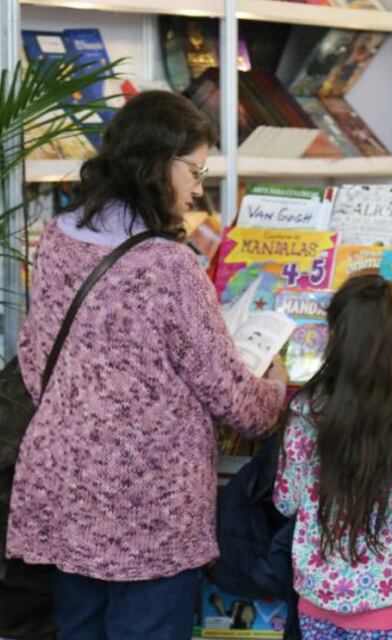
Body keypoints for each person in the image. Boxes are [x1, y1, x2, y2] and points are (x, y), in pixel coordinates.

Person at [6, 90, 287, 638]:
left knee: (79, 626)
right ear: (157, 161)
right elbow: (233, 398)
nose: (199, 187)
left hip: (67, 488)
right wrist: (279, 394)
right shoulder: (169, 266)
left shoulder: (58, 239)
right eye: (195, 169)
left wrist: (89, 416)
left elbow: (36, 356)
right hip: (150, 510)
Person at [274, 274, 392, 640]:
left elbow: (286, 501)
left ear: (336, 337)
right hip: (386, 605)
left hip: (316, 597)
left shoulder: (307, 411)